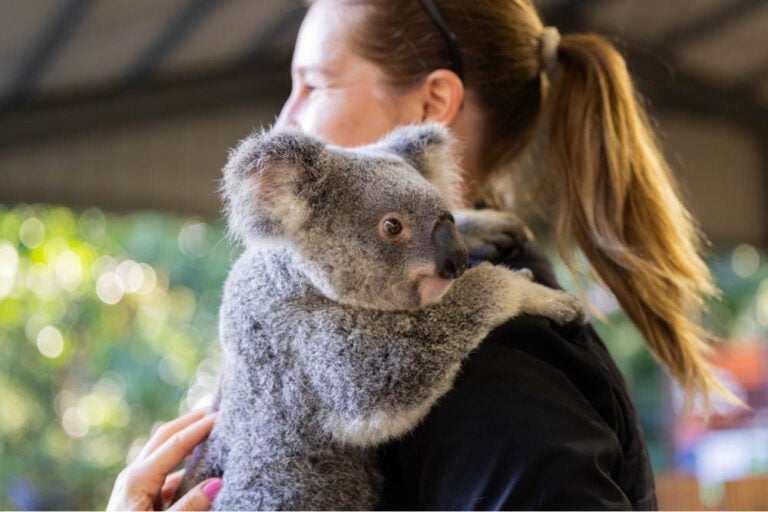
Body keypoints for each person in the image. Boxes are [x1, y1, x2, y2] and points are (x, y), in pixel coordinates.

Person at [108, 0, 738, 509]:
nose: (286, 118)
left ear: (432, 107)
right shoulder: (348, 308)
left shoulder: (495, 359)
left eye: (314, 84)